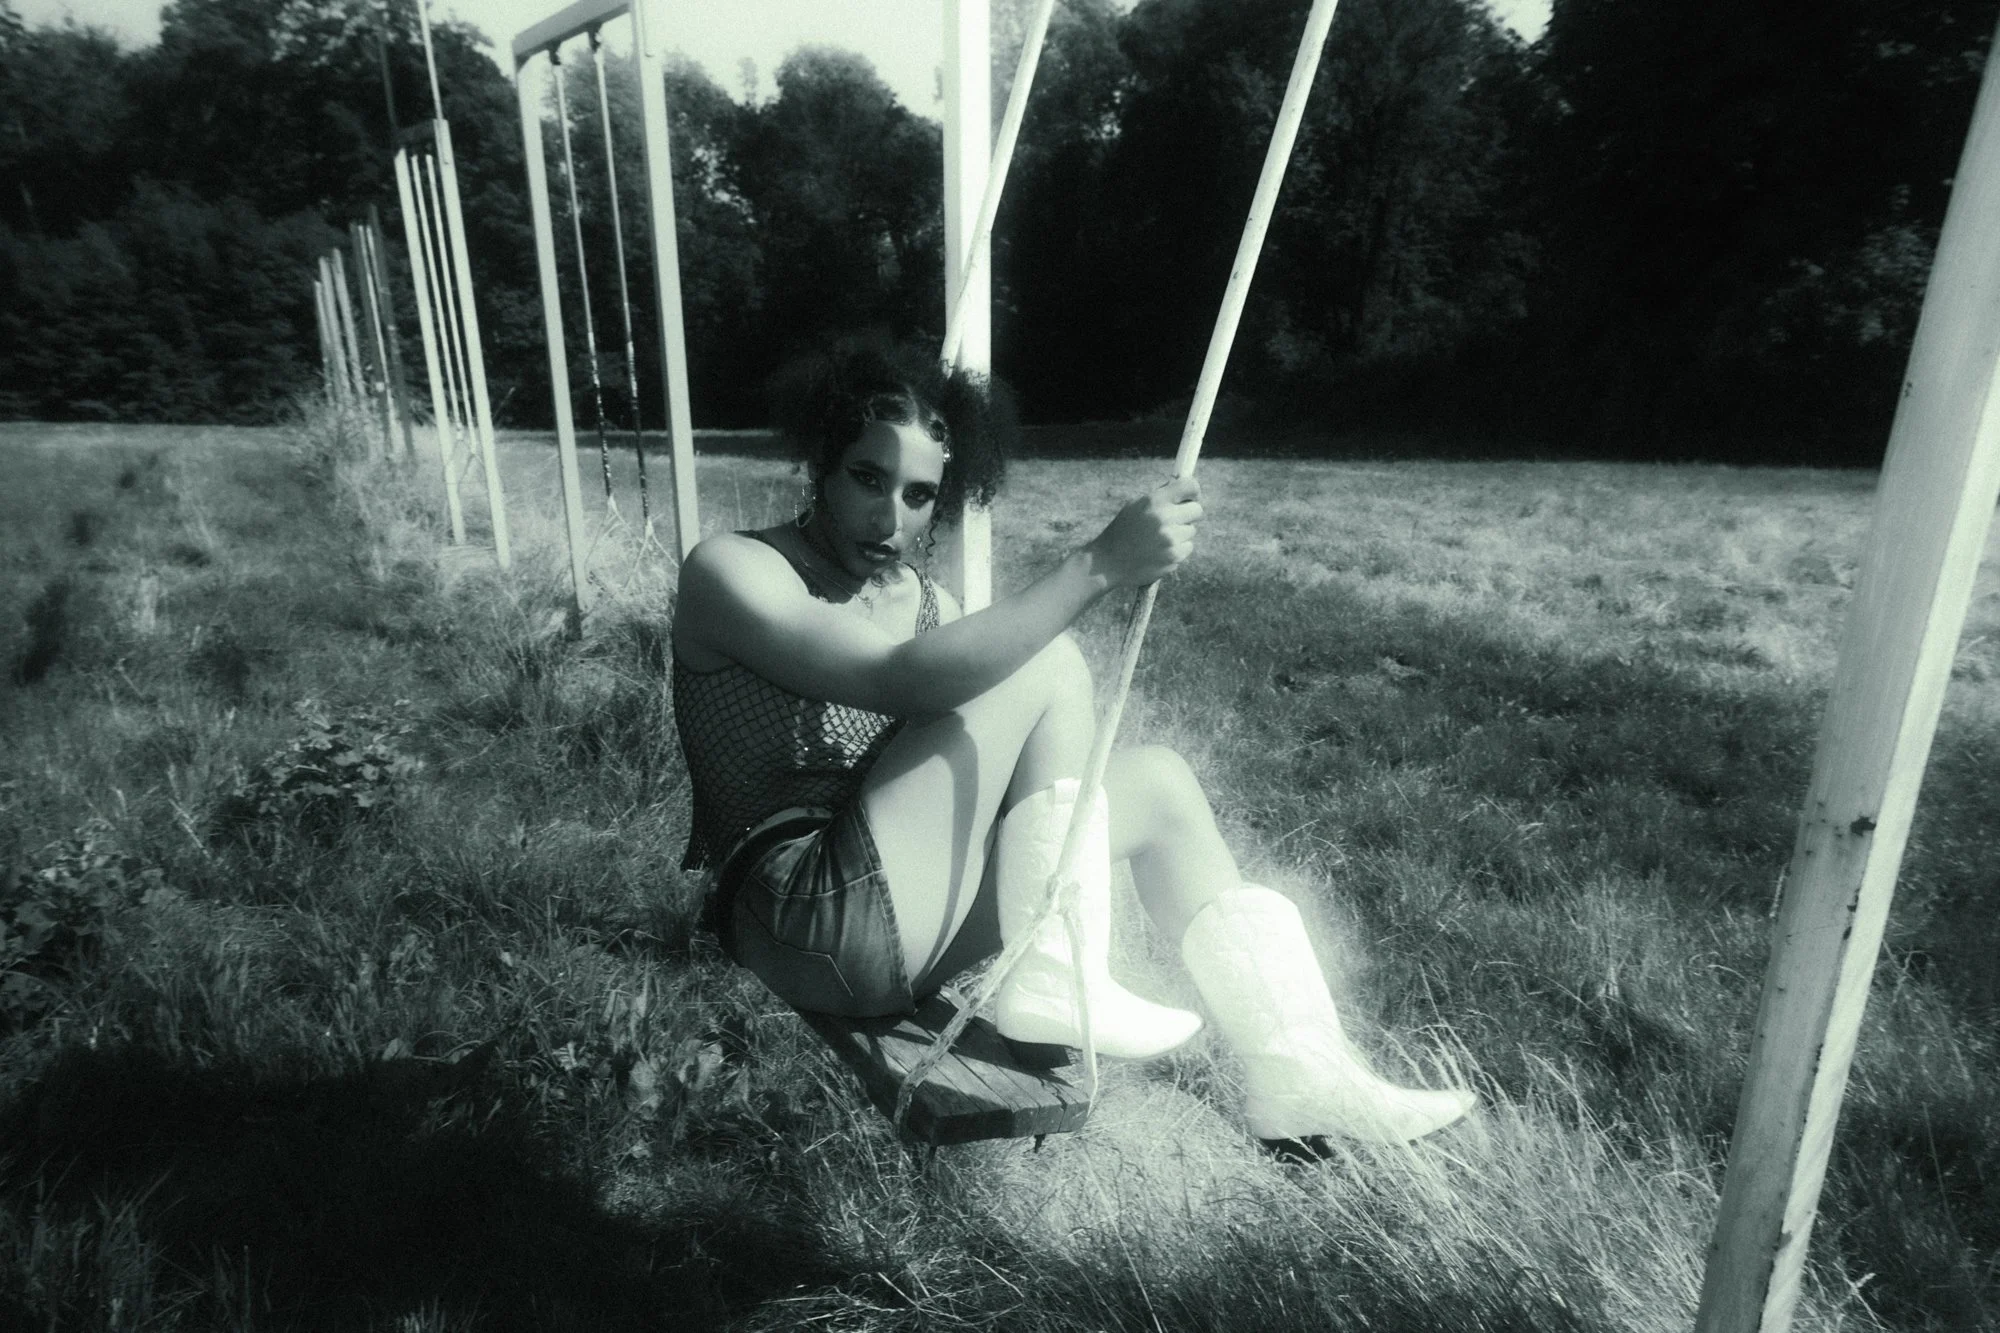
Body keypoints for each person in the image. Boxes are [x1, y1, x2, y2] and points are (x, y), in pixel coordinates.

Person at [671, 340, 1472, 1151]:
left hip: (898, 918)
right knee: (1045, 661)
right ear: (820, 463)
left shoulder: (928, 602)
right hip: (795, 915)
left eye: (920, 494)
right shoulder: (734, 570)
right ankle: (1055, 973)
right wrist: (1098, 565)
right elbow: (898, 679)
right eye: (867, 478)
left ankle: (1302, 1075)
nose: (891, 519)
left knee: (1159, 786)